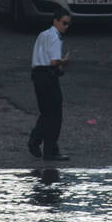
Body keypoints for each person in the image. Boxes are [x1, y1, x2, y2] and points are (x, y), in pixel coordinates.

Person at [28, 8, 71, 162]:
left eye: (68, 24)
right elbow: (53, 61)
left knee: (46, 113)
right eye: (64, 23)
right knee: (55, 114)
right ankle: (49, 149)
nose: (66, 26)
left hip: (38, 75)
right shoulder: (55, 37)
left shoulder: (43, 34)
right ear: (56, 21)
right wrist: (64, 62)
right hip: (48, 76)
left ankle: (37, 142)